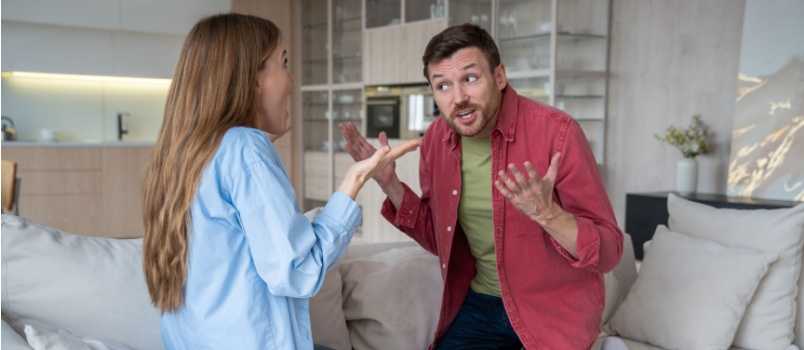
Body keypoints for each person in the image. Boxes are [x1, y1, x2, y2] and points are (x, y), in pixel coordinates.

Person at [141, 13, 420, 350]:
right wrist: (353, 181)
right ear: (253, 78)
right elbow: (298, 272)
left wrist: (259, 142)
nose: (291, 78)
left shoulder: (181, 154)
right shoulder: (244, 149)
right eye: (283, 63)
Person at [340, 23, 623, 349]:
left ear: (499, 77)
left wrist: (548, 215)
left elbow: (609, 253)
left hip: (552, 312)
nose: (458, 98)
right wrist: (390, 184)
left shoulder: (557, 133)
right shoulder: (436, 140)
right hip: (480, 307)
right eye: (443, 86)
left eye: (470, 79)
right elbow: (440, 240)